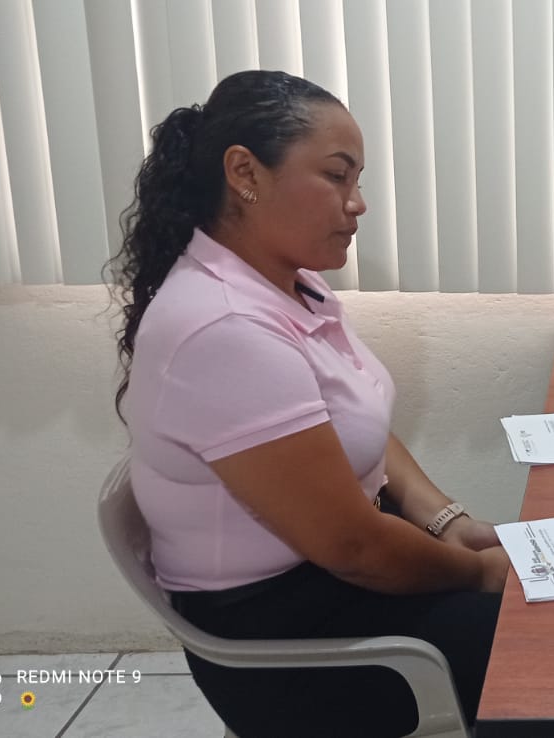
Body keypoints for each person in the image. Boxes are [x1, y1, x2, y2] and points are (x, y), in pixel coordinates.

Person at [111, 70, 510, 737]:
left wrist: (447, 520)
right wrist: (475, 574)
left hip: (337, 573)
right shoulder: (224, 328)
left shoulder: (291, 287)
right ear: (245, 173)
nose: (358, 203)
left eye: (357, 180)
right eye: (336, 176)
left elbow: (357, 420)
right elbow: (354, 547)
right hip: (292, 642)